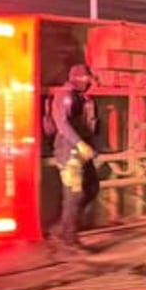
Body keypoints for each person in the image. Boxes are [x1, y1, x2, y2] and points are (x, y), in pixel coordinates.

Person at [50, 64, 100, 251]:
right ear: (79, 78)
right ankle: (69, 238)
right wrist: (79, 143)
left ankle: (62, 228)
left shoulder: (83, 97)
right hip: (69, 150)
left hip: (82, 151)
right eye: (87, 78)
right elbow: (62, 123)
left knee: (92, 187)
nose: (90, 82)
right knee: (74, 193)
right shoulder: (66, 96)